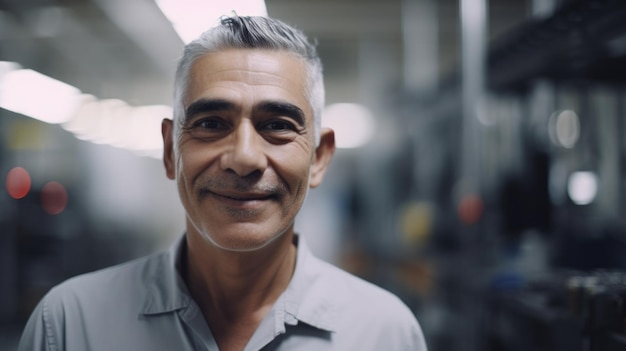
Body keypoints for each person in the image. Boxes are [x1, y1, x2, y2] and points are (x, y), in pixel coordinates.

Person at [18, 15, 427, 351]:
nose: (244, 158)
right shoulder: (70, 326)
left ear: (319, 158)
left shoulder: (385, 333)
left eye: (278, 126)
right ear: (169, 151)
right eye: (211, 124)